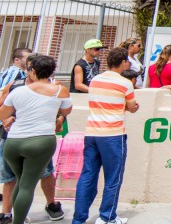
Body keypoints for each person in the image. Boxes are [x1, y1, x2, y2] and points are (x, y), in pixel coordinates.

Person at [0, 54, 71, 224]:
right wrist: (58, 119)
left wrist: (9, 119)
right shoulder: (60, 90)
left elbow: (3, 114)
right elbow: (67, 110)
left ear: (32, 71)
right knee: (27, 185)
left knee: (20, 181)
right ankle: (19, 221)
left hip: (14, 142)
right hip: (41, 142)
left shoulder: (17, 90)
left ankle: (12, 216)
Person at [73, 47, 139, 224]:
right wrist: (130, 106)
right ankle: (107, 216)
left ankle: (79, 218)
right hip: (113, 135)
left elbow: (103, 102)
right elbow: (131, 106)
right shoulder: (125, 83)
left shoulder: (95, 80)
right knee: (113, 177)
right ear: (123, 62)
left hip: (92, 133)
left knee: (87, 175)